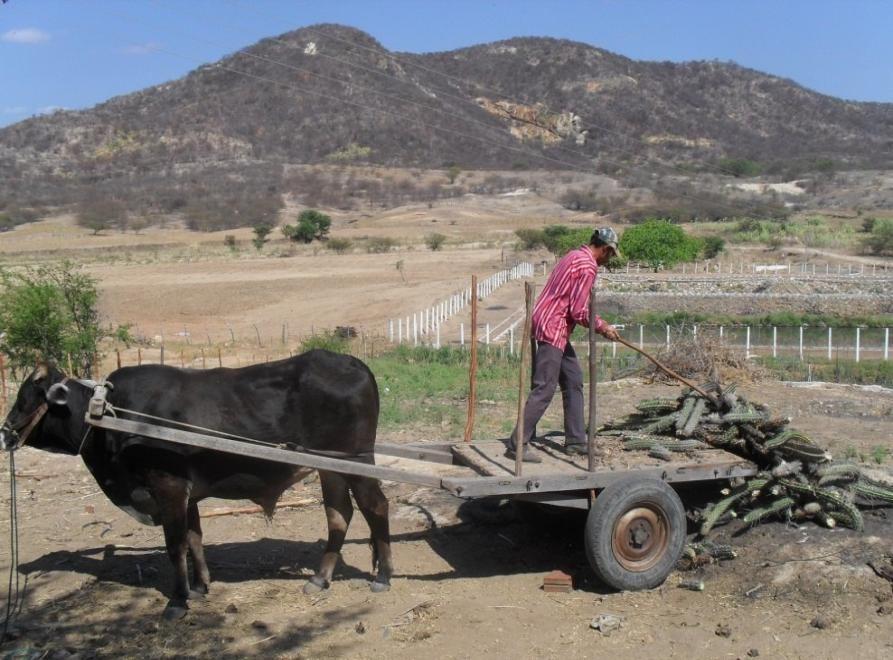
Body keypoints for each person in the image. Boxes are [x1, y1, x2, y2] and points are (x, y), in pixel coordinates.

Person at [508, 227, 621, 462]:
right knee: (545, 387)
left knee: (573, 380)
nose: (608, 260)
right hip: (554, 326)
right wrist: (603, 327)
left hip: (547, 321)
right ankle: (517, 443)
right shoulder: (587, 266)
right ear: (605, 249)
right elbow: (579, 311)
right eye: (610, 254)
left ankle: (576, 441)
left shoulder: (572, 255)